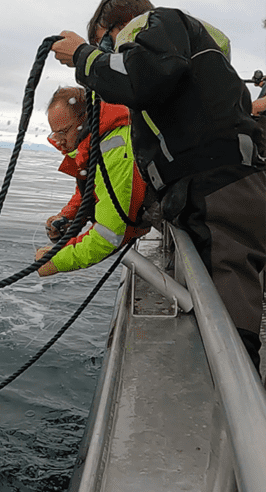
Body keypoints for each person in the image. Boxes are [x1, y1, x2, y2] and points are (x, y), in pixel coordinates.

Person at [51, 0, 266, 370]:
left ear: (123, 25)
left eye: (108, 45)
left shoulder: (158, 23)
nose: (112, 56)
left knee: (230, 320)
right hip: (222, 184)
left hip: (216, 188)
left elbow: (139, 76)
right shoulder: (188, 51)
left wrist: (84, 57)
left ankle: (234, 404)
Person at [36, 86, 151, 276]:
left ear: (85, 121)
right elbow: (89, 190)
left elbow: (110, 234)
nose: (60, 141)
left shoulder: (114, 151)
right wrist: (68, 217)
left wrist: (57, 261)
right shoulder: (96, 142)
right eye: (55, 134)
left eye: (64, 132)